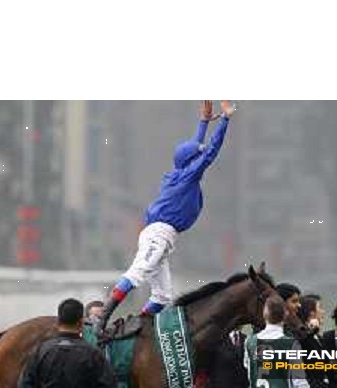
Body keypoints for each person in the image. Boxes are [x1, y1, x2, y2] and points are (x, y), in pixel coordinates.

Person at [95, 100, 237, 333]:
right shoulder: (188, 176)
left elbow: (194, 149)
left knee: (162, 296)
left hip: (162, 235)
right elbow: (210, 151)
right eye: (196, 156)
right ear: (191, 161)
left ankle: (137, 328)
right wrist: (225, 120)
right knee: (138, 272)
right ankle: (102, 319)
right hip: (158, 234)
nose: (199, 157)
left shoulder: (180, 173)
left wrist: (203, 122)